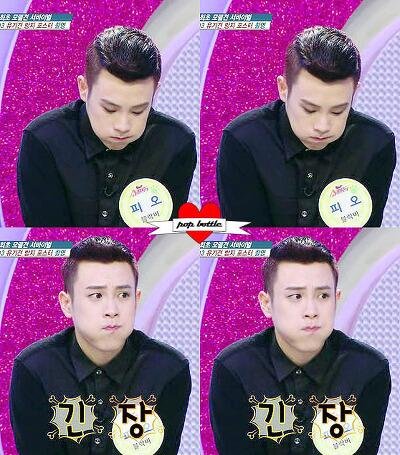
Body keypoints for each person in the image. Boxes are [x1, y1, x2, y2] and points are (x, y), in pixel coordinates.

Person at [10, 236, 191, 454]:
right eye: (96, 295)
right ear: (67, 304)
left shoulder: (168, 369)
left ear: (137, 299)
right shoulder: (35, 368)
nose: (112, 310)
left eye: (123, 295)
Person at [210, 236, 391, 454]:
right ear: (267, 303)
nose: (311, 311)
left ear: (337, 299)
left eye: (323, 295)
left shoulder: (368, 369)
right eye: (296, 296)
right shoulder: (235, 368)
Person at [217, 26, 396, 227]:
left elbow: (361, 233)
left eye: (337, 111)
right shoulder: (243, 139)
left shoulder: (376, 143)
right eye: (309, 110)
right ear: (283, 88)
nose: (322, 126)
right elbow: (248, 236)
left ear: (355, 92)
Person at [17, 26, 197, 227]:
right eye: (110, 109)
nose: (123, 126)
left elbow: (161, 233)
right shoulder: (44, 140)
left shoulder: (176, 143)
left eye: (138, 111)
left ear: (155, 93)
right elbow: (49, 233)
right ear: (84, 88)